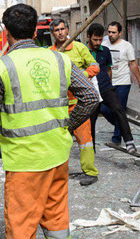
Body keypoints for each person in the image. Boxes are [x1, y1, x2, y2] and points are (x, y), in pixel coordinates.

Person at [0, 4, 99, 239]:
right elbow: (91, 97)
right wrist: (67, 125)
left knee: (21, 228)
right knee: (57, 221)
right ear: (35, 32)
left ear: (6, 32)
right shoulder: (59, 59)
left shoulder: (2, 66)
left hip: (24, 163)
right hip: (57, 155)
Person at [49, 18, 100, 186]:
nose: (60, 32)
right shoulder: (49, 53)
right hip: (59, 106)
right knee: (58, 141)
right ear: (53, 33)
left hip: (79, 104)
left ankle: (90, 172)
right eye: (57, 30)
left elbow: (95, 66)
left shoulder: (79, 48)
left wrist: (81, 78)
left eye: (63, 29)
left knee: (85, 140)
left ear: (67, 29)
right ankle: (58, 173)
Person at [86, 23, 137, 154]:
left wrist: (108, 83)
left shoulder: (106, 51)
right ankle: (90, 148)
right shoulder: (83, 51)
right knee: (91, 120)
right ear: (88, 37)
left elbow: (109, 69)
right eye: (95, 40)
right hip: (91, 90)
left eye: (100, 40)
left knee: (119, 109)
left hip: (106, 87)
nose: (98, 43)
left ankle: (129, 141)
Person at [101, 21, 140, 145]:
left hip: (123, 81)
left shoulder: (126, 46)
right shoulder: (103, 45)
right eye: (109, 32)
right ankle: (121, 125)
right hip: (107, 83)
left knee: (119, 109)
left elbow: (132, 64)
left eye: (113, 32)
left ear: (120, 33)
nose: (110, 34)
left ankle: (117, 138)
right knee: (104, 108)